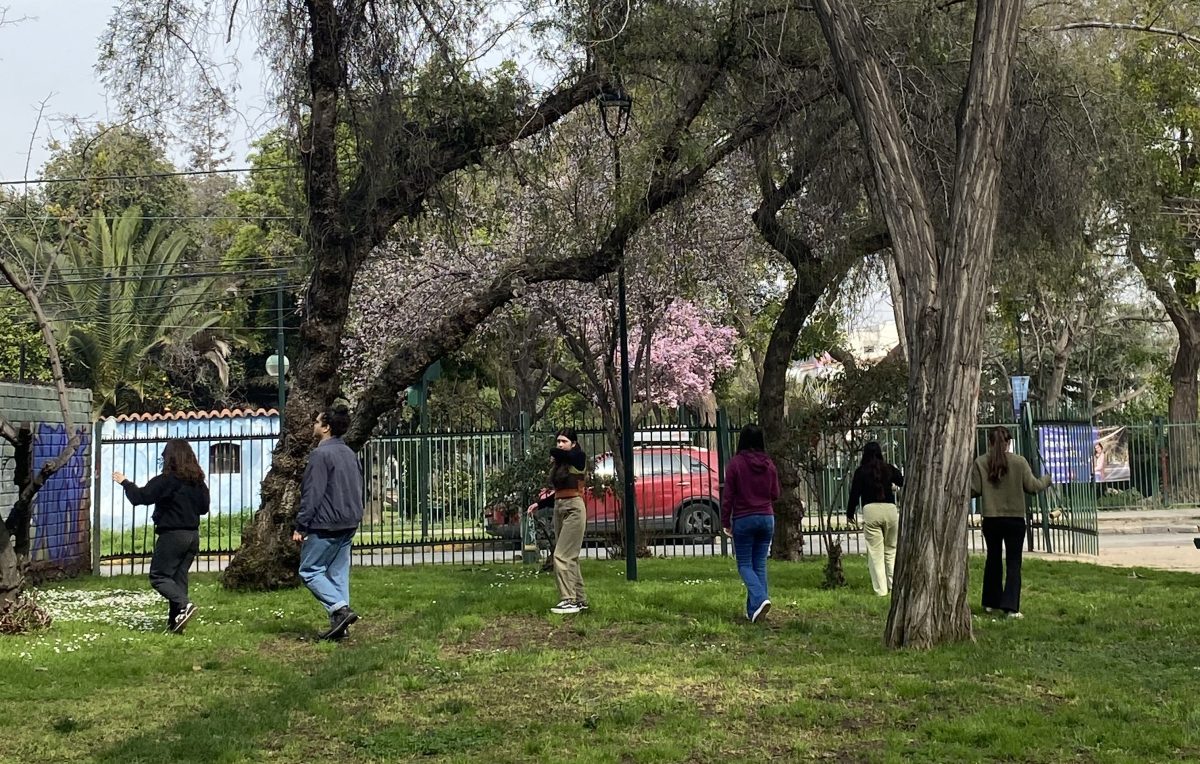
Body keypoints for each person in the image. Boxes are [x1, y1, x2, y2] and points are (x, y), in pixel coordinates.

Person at [113, 439, 209, 634]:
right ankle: (176, 624)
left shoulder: (166, 480)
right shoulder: (198, 482)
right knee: (178, 578)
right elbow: (204, 509)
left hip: (172, 535)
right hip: (192, 536)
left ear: (169, 458)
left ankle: (184, 604)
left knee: (159, 576)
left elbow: (141, 497)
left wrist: (125, 482)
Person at [293, 403, 365, 640]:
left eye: (316, 422)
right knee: (337, 572)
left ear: (325, 427)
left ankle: (340, 609)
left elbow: (312, 493)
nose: (314, 425)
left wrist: (302, 525)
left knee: (310, 570)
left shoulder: (320, 454)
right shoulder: (349, 452)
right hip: (349, 520)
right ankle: (340, 627)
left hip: (325, 524)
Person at [971, 426, 1051, 619]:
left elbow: (973, 490)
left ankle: (991, 601)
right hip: (1015, 519)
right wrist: (1047, 479)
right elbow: (1033, 487)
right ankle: (1011, 607)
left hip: (992, 518)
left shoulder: (981, 462)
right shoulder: (1019, 462)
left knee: (993, 559)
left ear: (990, 443)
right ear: (1009, 443)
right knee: (1014, 562)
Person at [720, 424, 779, 623]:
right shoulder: (769, 464)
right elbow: (775, 493)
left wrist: (725, 521)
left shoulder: (736, 464)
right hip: (766, 518)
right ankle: (754, 611)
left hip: (744, 518)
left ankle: (761, 598)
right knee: (759, 564)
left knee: (744, 565)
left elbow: (728, 496)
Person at [533, 428, 589, 615]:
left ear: (573, 443)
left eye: (564, 441)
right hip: (560, 507)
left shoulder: (578, 458)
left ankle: (568, 600)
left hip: (574, 508)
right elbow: (559, 492)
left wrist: (557, 453)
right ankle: (580, 600)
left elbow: (557, 453)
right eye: (558, 441)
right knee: (570, 556)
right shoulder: (561, 465)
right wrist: (540, 504)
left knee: (561, 555)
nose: (559, 445)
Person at [846, 442, 904, 597]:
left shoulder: (861, 472)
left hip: (871, 511)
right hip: (890, 510)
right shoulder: (889, 468)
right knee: (891, 550)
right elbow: (902, 481)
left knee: (875, 553)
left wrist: (850, 513)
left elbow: (854, 495)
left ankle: (881, 590)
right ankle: (894, 586)